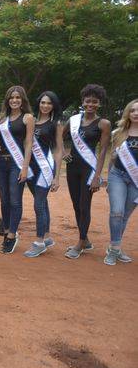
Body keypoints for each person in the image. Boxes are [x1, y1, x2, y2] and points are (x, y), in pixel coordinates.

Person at [63, 84, 111, 259]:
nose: (90, 104)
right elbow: (59, 137)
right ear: (82, 102)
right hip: (72, 167)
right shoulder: (74, 120)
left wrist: (97, 177)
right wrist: (63, 153)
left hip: (88, 170)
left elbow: (103, 151)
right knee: (77, 204)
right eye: (87, 101)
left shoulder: (103, 123)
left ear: (99, 103)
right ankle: (86, 240)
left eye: (94, 102)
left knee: (85, 205)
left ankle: (81, 242)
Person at [0, 86, 35, 254]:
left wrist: (25, 167)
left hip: (16, 164)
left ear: (22, 99)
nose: (15, 100)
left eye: (18, 97)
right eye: (12, 98)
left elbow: (28, 143)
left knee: (15, 200)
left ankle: (12, 235)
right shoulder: (2, 119)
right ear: (7, 100)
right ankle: (6, 231)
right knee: (4, 199)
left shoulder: (28, 118)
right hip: (1, 163)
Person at [23, 91, 63, 258]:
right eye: (43, 102)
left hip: (45, 168)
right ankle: (46, 237)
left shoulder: (56, 124)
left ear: (53, 106)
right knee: (42, 202)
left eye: (49, 103)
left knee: (39, 204)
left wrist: (57, 176)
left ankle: (39, 242)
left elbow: (59, 149)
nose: (45, 106)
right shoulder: (31, 120)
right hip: (31, 168)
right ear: (38, 103)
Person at [104, 99, 137, 265]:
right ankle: (115, 249)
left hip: (136, 180)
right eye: (133, 110)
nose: (136, 113)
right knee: (116, 212)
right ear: (128, 113)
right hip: (117, 176)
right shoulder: (118, 133)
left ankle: (114, 247)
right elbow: (112, 158)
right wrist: (109, 179)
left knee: (124, 216)